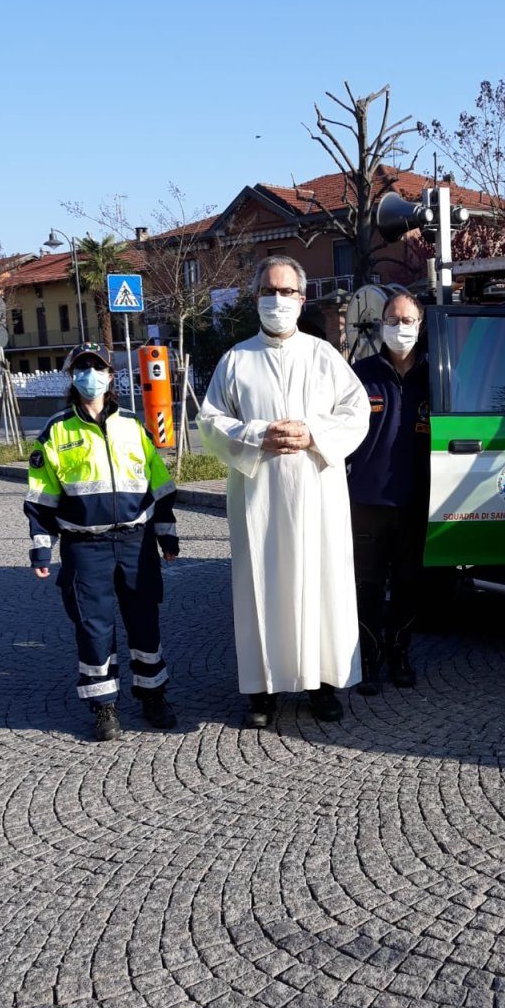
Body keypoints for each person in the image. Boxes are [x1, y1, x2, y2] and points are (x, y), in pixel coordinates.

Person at [198, 256, 370, 729]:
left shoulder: (324, 356)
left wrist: (313, 433)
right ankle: (261, 690)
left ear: (302, 296)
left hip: (317, 495)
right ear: (256, 299)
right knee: (262, 586)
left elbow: (357, 413)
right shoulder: (236, 360)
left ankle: (322, 685)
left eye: (286, 291)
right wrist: (256, 435)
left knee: (321, 584)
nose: (277, 300)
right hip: (260, 499)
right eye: (268, 292)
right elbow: (210, 423)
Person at [24, 341, 179, 742]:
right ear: (71, 376)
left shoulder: (133, 425)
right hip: (84, 547)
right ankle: (104, 704)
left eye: (98, 367)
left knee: (145, 622)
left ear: (111, 375)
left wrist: (167, 533)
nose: (90, 374)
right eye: (82, 367)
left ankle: (152, 695)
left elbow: (158, 484)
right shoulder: (56, 431)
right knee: (94, 629)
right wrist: (42, 546)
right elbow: (41, 496)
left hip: (136, 542)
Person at [347, 291, 430, 695]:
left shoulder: (436, 376)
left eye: (407, 320)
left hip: (416, 500)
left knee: (408, 583)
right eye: (393, 320)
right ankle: (370, 657)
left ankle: (400, 654)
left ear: (421, 324)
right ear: (382, 324)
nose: (400, 328)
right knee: (366, 585)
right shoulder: (360, 373)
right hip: (366, 501)